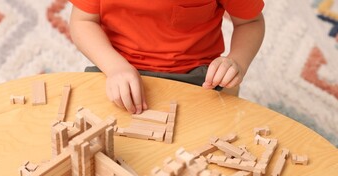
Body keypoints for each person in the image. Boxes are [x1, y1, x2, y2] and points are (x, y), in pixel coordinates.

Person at [69, 0, 265, 114]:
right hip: (118, 71)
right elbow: (83, 22)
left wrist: (237, 60)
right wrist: (115, 67)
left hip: (198, 76)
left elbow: (250, 22)